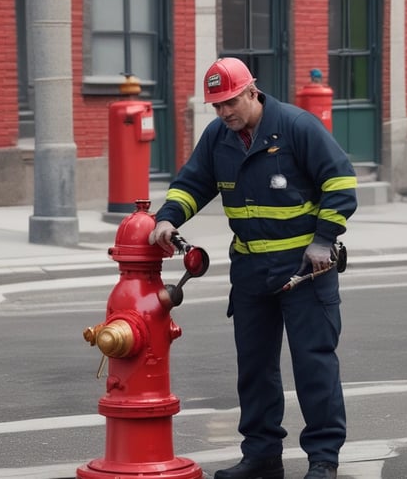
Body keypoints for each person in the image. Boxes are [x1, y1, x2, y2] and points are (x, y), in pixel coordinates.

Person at [149, 57, 357, 479]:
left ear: (251, 91)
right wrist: (168, 217)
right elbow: (193, 183)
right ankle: (261, 456)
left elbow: (340, 182)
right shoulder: (218, 137)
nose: (225, 112)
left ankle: (323, 460)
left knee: (313, 365)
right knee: (255, 369)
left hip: (304, 270)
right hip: (250, 271)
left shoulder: (298, 127)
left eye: (230, 102)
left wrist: (323, 240)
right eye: (217, 106)